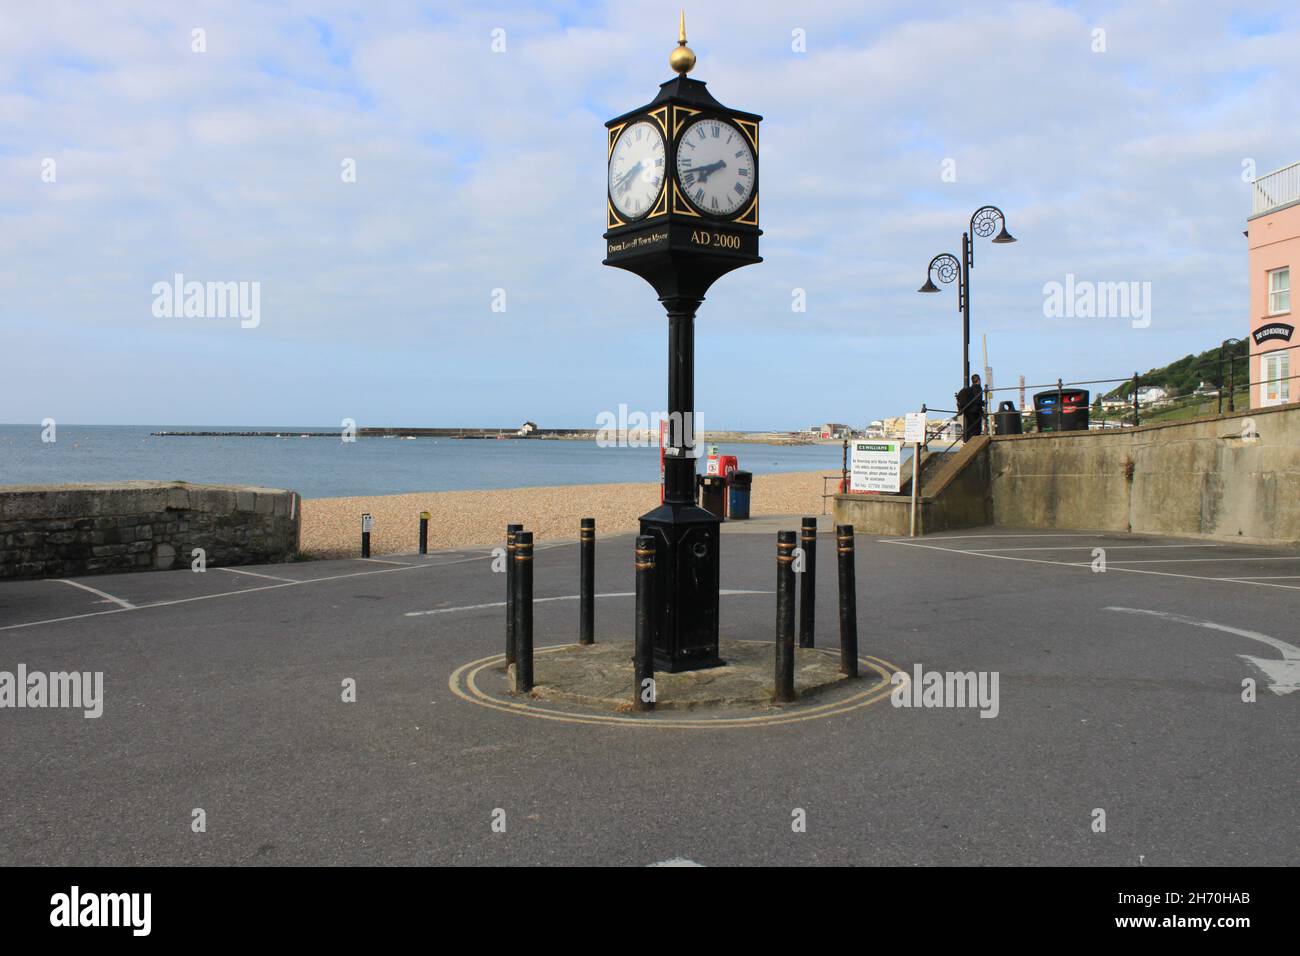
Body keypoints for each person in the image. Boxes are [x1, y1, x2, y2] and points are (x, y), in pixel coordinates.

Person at [955, 373, 985, 441]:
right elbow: (978, 400)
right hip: (975, 412)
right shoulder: (978, 388)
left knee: (969, 429)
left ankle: (967, 442)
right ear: (978, 380)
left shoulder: (968, 390)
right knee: (976, 430)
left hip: (967, 411)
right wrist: (982, 404)